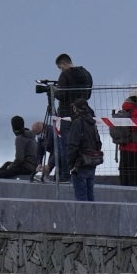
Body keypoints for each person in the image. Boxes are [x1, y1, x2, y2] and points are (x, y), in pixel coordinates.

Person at [53, 53, 93, 182]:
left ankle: (65, 175)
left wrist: (54, 91)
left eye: (60, 67)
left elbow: (62, 95)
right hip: (83, 113)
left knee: (65, 146)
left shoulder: (65, 75)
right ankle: (80, 173)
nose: (60, 70)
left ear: (63, 64)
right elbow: (88, 94)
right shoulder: (86, 73)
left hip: (66, 115)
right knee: (81, 146)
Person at [67, 98, 101, 201]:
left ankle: (84, 217)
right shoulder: (92, 123)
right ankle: (92, 216)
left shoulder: (77, 123)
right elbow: (98, 143)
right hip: (91, 162)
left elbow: (72, 145)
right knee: (90, 195)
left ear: (75, 109)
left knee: (81, 197)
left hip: (79, 164)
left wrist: (71, 164)